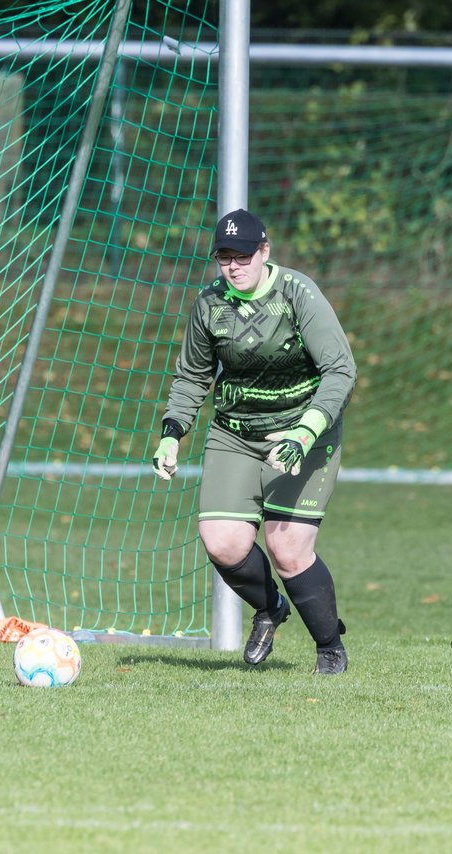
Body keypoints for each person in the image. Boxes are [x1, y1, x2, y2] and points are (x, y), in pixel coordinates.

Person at [150, 209, 357, 674]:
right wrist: (171, 435)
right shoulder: (209, 305)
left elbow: (341, 370)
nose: (234, 266)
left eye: (243, 256)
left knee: (288, 549)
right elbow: (191, 376)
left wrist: (305, 432)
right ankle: (270, 609)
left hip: (304, 432)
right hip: (235, 433)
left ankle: (329, 647)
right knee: (222, 542)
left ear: (264, 251)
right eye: (224, 258)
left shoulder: (297, 294)